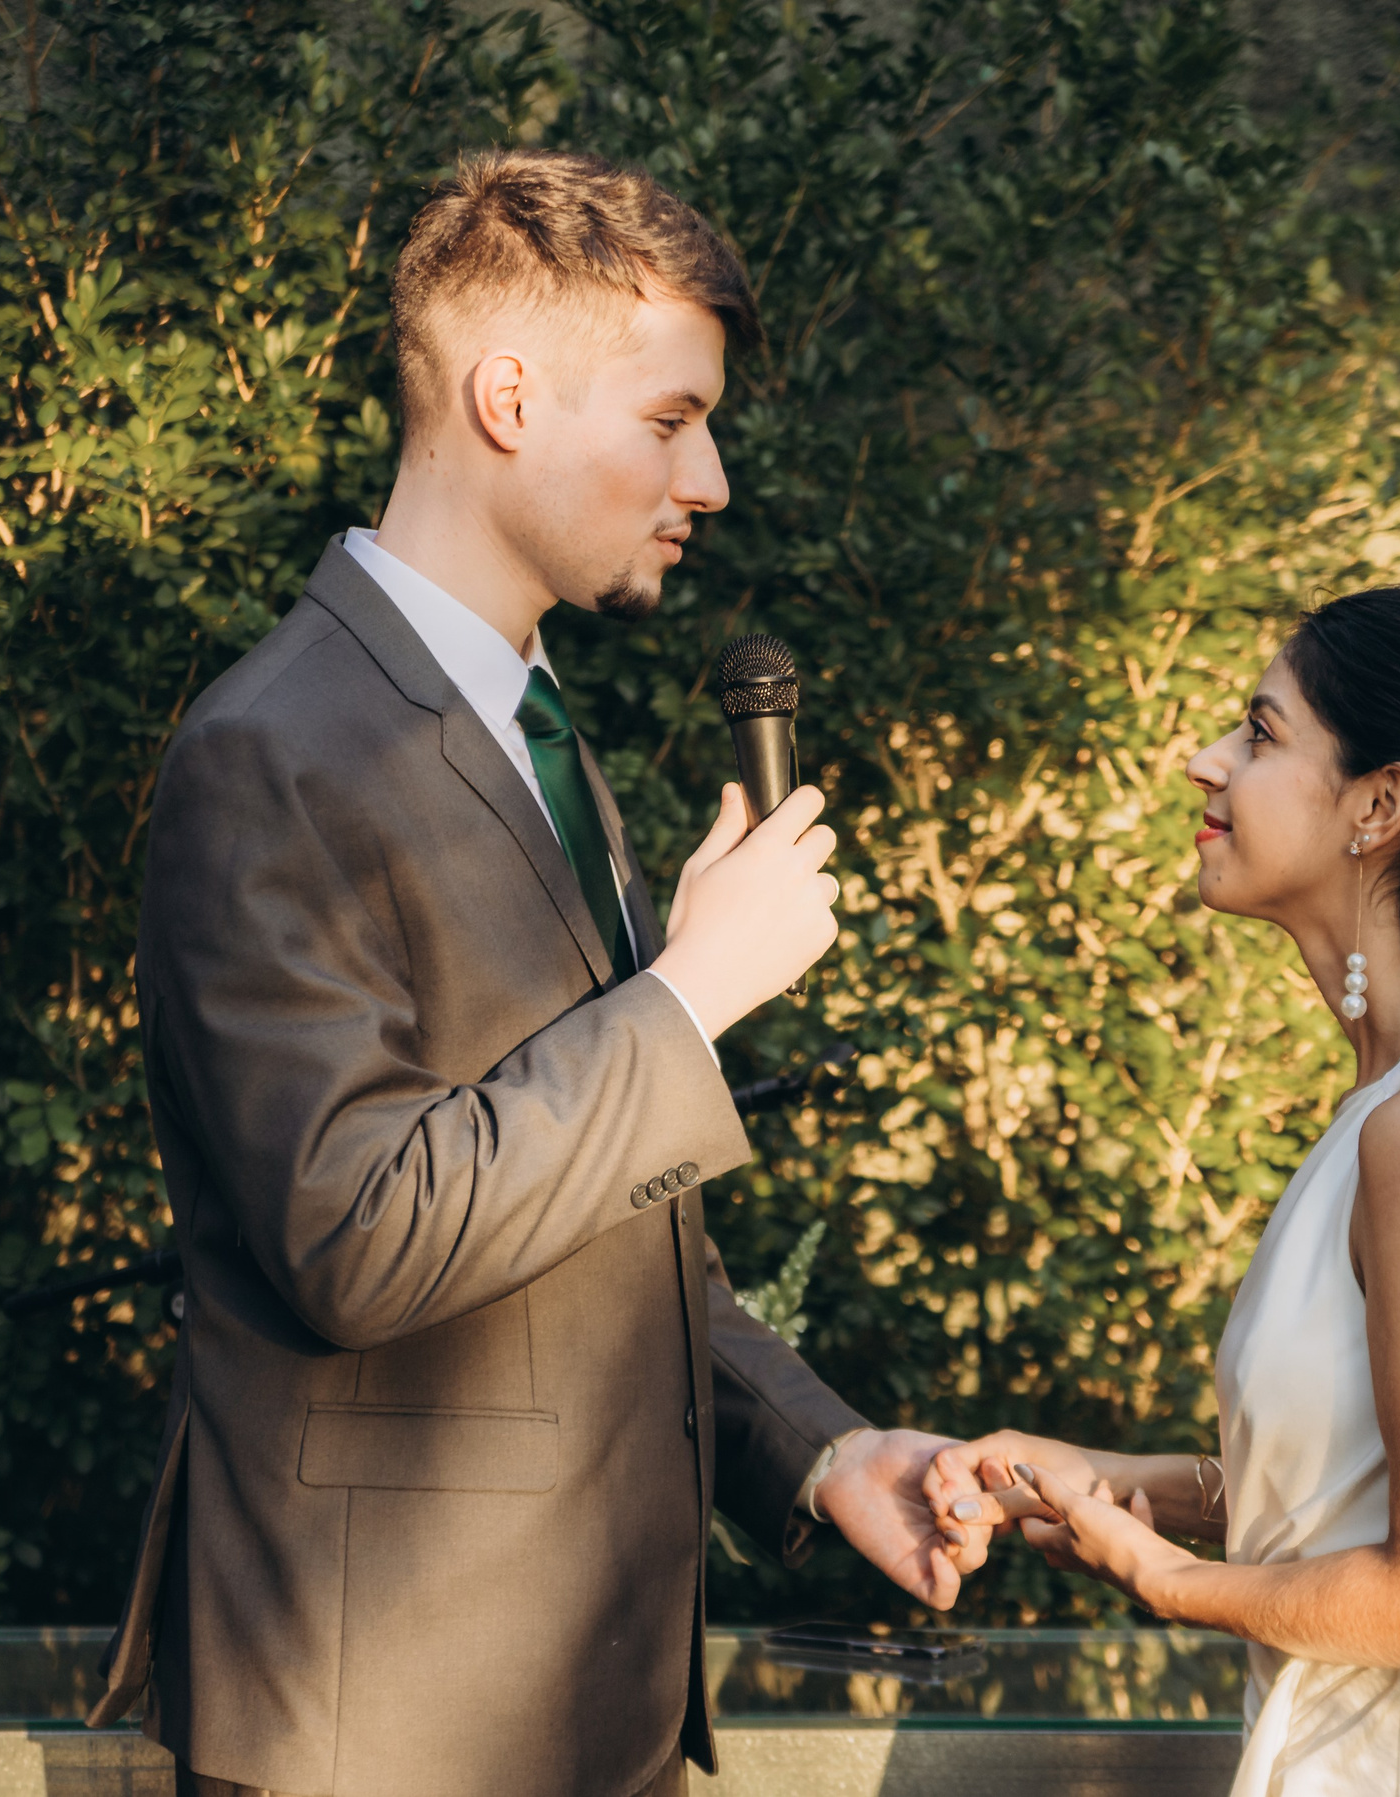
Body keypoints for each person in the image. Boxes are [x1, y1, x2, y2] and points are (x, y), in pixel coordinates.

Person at [86, 149, 995, 1797]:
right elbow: (354, 1240)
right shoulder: (268, 750)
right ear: (507, 396)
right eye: (669, 420)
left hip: (599, 1712)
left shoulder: (535, 730)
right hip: (385, 1734)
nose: (707, 476)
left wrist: (823, 1453)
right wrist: (692, 998)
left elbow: (597, 1219)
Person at [926, 586, 1400, 1795]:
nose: (1204, 763)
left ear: (1379, 805)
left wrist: (1161, 1579)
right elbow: (1349, 1495)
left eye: (1260, 732)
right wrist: (1108, 1489)